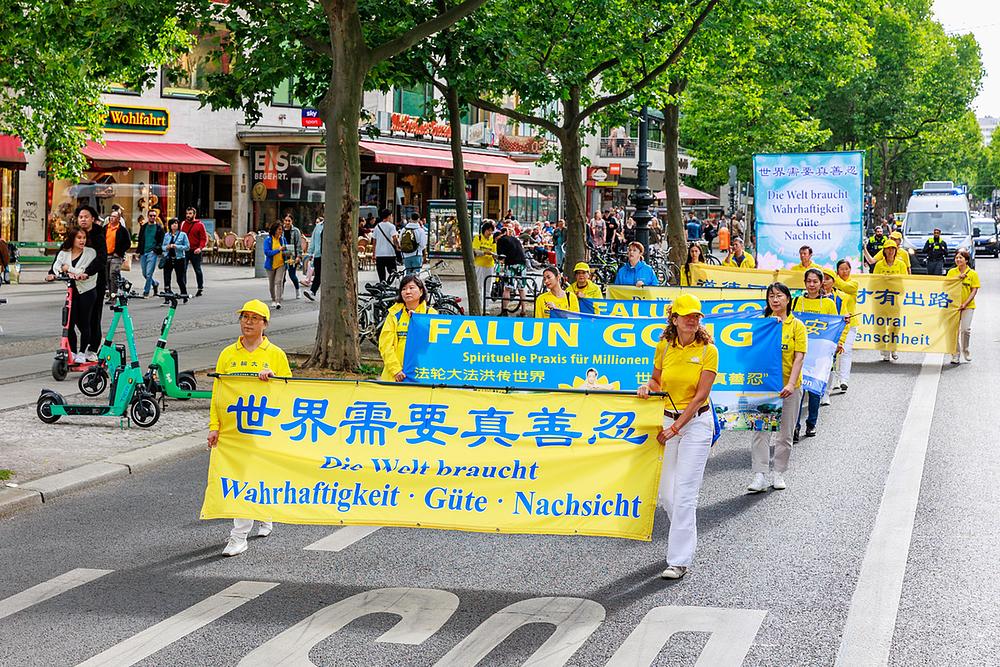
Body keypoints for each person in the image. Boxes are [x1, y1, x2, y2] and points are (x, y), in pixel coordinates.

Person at [636, 294, 718, 580]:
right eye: (687, 316)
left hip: (696, 424)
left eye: (697, 315)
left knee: (684, 494)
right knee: (666, 493)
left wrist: (676, 427)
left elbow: (700, 397)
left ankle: (679, 559)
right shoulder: (664, 346)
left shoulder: (709, 350)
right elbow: (657, 380)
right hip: (667, 420)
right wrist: (648, 386)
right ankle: (684, 533)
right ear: (674, 319)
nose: (693, 320)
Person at [207, 299, 291, 557]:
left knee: (252, 476)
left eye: (255, 318)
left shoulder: (275, 354)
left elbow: (289, 391)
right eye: (245, 317)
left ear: (265, 324)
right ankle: (256, 519)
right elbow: (218, 392)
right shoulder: (227, 353)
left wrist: (272, 381)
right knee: (243, 477)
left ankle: (239, 536)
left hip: (263, 429)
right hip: (234, 431)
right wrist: (214, 426)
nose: (249, 322)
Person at [747, 283, 807, 493]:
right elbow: (750, 354)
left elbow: (799, 357)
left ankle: (779, 472)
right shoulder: (761, 324)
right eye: (771, 296)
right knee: (760, 431)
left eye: (779, 296)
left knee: (784, 433)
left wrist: (791, 383)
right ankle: (760, 475)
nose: (775, 300)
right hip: (764, 387)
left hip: (789, 387)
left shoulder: (797, 325)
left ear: (788, 299)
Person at [791, 268, 837, 439]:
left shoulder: (828, 304)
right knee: (797, 391)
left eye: (815, 281)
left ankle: (811, 424)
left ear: (821, 283)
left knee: (815, 391)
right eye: (809, 281)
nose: (812, 284)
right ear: (804, 283)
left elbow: (835, 326)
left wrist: (838, 343)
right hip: (798, 354)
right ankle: (794, 426)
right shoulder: (795, 302)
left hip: (819, 354)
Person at [45, 227, 100, 362]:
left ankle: (83, 352)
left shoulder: (90, 253)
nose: (82, 241)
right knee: (68, 323)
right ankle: (74, 352)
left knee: (85, 322)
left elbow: (82, 271)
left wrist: (68, 268)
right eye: (79, 238)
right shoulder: (64, 252)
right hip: (72, 291)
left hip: (87, 291)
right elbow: (57, 267)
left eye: (84, 238)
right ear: (72, 239)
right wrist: (53, 275)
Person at [379, 275, 438, 381]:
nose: (407, 292)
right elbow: (385, 345)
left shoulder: (430, 314)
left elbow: (436, 343)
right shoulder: (394, 314)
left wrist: (418, 321)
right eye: (404, 289)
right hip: (396, 375)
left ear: (421, 291)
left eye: (411, 288)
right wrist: (395, 370)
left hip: (422, 373)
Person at [73, 206, 108, 344]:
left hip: (95, 281)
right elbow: (63, 252)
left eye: (86, 217)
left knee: (94, 315)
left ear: (93, 219)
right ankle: (93, 339)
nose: (83, 219)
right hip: (77, 282)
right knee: (75, 316)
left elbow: (101, 259)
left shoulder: (98, 236)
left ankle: (95, 344)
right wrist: (54, 271)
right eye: (81, 217)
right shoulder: (75, 235)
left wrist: (88, 272)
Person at [872, 239, 906, 362]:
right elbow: (874, 281)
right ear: (884, 251)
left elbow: (905, 280)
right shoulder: (879, 265)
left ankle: (893, 347)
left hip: (895, 299)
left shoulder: (900, 264)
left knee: (895, 325)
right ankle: (884, 350)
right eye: (888, 249)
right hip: (881, 299)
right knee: (881, 325)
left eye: (893, 249)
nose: (890, 251)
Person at [830, 260, 859, 392]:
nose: (844, 271)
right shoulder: (831, 286)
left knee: (846, 351)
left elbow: (846, 288)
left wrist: (833, 278)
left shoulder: (853, 283)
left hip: (850, 323)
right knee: (833, 352)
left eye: (847, 269)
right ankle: (834, 379)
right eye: (841, 269)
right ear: (837, 271)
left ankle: (844, 380)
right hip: (835, 323)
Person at [946, 248, 980, 364]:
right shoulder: (951, 272)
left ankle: (965, 350)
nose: (958, 260)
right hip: (953, 306)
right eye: (956, 258)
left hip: (967, 306)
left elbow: (974, 290)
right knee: (953, 330)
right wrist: (957, 279)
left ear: (966, 260)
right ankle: (955, 354)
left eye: (960, 258)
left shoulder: (972, 274)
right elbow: (946, 286)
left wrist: (965, 304)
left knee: (965, 329)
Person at [495, 227, 528, 316]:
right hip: (522, 264)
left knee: (507, 288)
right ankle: (523, 310)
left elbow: (501, 256)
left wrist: (498, 258)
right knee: (521, 288)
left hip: (511, 264)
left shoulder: (500, 240)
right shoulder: (514, 239)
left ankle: (505, 310)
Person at [103, 209, 131, 303]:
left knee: (113, 275)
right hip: (106, 255)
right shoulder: (106, 228)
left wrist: (119, 252)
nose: (111, 218)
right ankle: (114, 293)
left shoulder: (122, 230)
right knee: (107, 277)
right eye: (111, 216)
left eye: (114, 216)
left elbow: (127, 243)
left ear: (118, 219)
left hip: (116, 256)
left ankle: (113, 297)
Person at [136, 210, 164, 298]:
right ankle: (155, 283)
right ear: (148, 216)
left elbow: (161, 241)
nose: (152, 217)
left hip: (152, 253)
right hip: (143, 253)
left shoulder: (159, 228)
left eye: (154, 216)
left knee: (149, 273)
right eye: (151, 215)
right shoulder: (144, 227)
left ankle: (146, 291)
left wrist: (156, 249)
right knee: (144, 273)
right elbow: (140, 240)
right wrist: (138, 252)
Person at [181, 207, 208, 297]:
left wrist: (200, 248)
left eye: (190, 213)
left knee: (197, 270)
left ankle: (200, 288)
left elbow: (204, 239)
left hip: (195, 251)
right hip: (185, 250)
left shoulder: (200, 225)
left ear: (194, 214)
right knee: (183, 270)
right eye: (187, 213)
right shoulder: (183, 224)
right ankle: (183, 289)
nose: (188, 215)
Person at [161, 218, 190, 297]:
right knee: (167, 278)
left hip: (179, 258)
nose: (174, 225)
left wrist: (176, 246)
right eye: (172, 223)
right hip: (168, 258)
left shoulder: (183, 235)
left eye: (176, 223)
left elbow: (187, 247)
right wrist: (166, 247)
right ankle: (167, 296)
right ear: (170, 225)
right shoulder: (166, 235)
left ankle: (184, 294)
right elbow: (162, 247)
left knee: (180, 279)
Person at [262, 222, 286, 310]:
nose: (281, 231)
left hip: (281, 264)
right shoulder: (268, 240)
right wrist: (278, 250)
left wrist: (287, 252)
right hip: (270, 265)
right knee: (271, 284)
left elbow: (286, 250)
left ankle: (278, 301)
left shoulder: (283, 239)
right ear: (274, 230)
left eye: (281, 229)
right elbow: (267, 252)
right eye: (279, 229)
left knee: (278, 281)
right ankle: (273, 299)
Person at [373, 208, 399, 282]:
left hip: (379, 254)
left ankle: (383, 286)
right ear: (389, 216)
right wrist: (397, 246)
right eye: (391, 216)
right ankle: (388, 284)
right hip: (390, 254)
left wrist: (374, 254)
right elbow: (395, 238)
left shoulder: (377, 227)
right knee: (393, 273)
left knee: (381, 275)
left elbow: (374, 241)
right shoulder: (391, 226)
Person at [280, 214, 303, 298]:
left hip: (292, 256)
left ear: (292, 221)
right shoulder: (280, 230)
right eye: (286, 220)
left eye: (289, 221)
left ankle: (297, 290)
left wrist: (298, 256)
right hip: (282, 255)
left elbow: (298, 245)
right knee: (281, 275)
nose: (287, 222)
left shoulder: (296, 231)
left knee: (292, 275)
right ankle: (280, 293)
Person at [472, 221, 497, 295]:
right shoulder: (478, 238)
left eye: (491, 231)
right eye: (488, 230)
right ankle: (479, 303)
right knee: (479, 285)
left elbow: (494, 252)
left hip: (489, 265)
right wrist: (484, 252)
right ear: (484, 230)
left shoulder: (492, 240)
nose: (490, 232)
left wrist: (494, 255)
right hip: (479, 264)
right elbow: (475, 251)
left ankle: (487, 305)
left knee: (488, 285)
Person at [304, 216, 323, 301]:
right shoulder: (318, 226)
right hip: (319, 254)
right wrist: (310, 253)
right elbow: (313, 240)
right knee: (318, 274)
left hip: (330, 256)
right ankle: (312, 292)